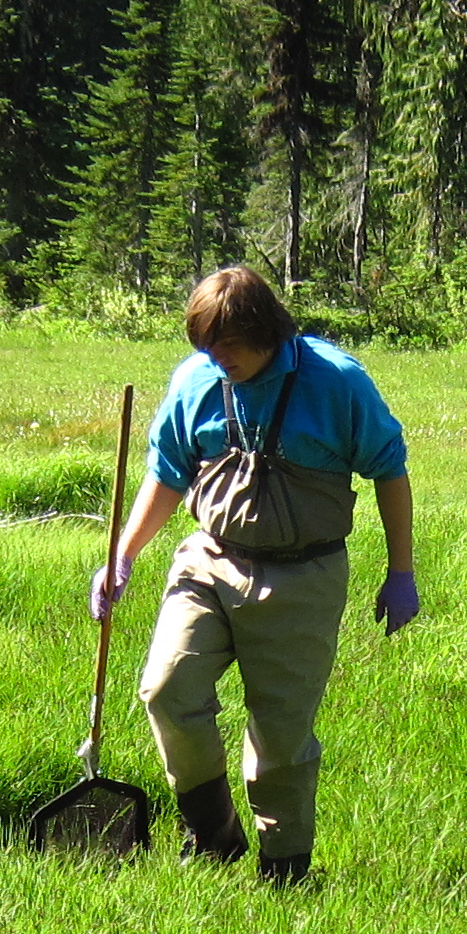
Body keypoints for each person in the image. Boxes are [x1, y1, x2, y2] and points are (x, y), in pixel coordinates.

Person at [89, 264, 418, 883]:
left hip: (304, 575)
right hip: (210, 560)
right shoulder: (198, 380)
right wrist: (124, 556)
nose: (217, 360)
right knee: (166, 690)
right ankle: (212, 837)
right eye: (206, 347)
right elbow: (167, 471)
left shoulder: (337, 382)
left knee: (281, 736)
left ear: (266, 330)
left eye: (229, 345)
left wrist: (401, 571)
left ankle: (284, 871)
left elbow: (389, 471)